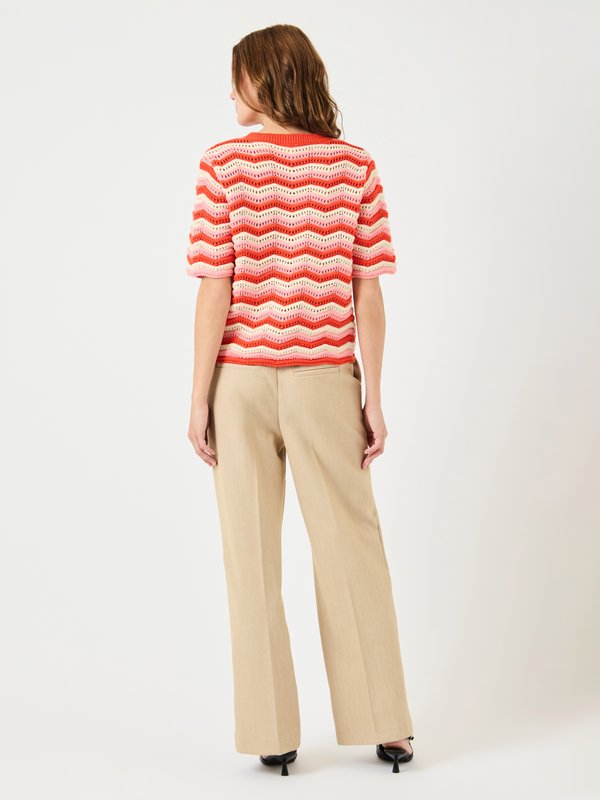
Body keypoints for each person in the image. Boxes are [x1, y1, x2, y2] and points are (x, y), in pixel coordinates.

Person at [185, 23, 415, 775]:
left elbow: (215, 289)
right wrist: (371, 396)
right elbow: (367, 293)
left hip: (241, 383)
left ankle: (271, 733)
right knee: (353, 548)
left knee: (249, 556)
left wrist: (199, 397)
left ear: (263, 79)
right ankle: (387, 723)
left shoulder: (222, 165)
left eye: (238, 76)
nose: (229, 91)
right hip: (325, 380)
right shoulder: (355, 168)